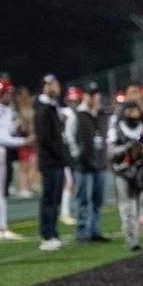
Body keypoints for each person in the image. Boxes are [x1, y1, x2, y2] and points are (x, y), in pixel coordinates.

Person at [0, 78, 33, 240]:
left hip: (5, 152)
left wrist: (19, 127)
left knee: (2, 191)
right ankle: (1, 229)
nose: (10, 96)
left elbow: (9, 130)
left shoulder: (6, 109)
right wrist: (24, 141)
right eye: (7, 93)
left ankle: (3, 227)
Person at [34, 74, 71, 251]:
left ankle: (53, 233)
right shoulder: (43, 108)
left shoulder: (52, 106)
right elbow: (44, 138)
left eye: (55, 84)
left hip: (56, 160)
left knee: (55, 199)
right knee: (48, 199)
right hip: (49, 160)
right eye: (50, 85)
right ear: (43, 87)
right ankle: (46, 235)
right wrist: (61, 155)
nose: (54, 87)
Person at [107, 101, 143, 250]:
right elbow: (110, 152)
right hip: (122, 170)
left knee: (136, 204)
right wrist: (126, 148)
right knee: (126, 205)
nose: (134, 113)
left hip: (139, 170)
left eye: (135, 110)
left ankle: (135, 236)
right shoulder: (116, 128)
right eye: (130, 110)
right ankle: (130, 238)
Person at [72, 82, 110, 243]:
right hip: (83, 165)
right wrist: (78, 157)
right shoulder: (77, 115)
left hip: (100, 163)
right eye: (93, 94)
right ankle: (82, 232)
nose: (96, 98)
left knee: (97, 199)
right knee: (82, 199)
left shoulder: (100, 114)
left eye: (97, 94)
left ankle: (94, 230)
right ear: (86, 96)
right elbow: (71, 138)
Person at [59, 85, 81, 226]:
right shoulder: (64, 113)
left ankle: (65, 211)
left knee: (71, 182)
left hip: (70, 149)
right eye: (71, 100)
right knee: (69, 182)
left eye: (75, 100)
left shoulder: (78, 113)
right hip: (64, 149)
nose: (73, 102)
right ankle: (64, 213)